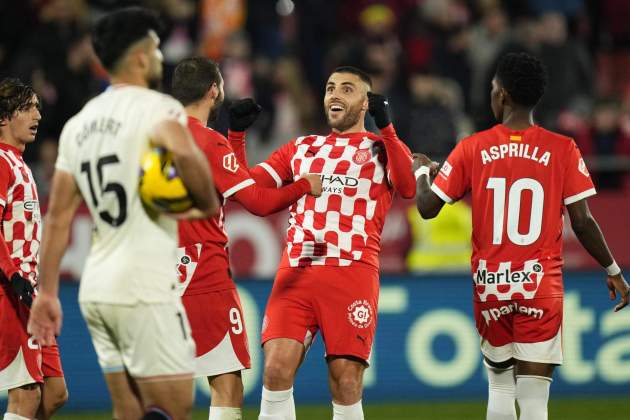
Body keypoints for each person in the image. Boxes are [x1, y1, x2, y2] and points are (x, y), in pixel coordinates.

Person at [414, 52, 630, 420]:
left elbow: (427, 207)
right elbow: (583, 221)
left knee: (499, 386)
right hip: (539, 285)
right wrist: (612, 270)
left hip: (490, 283)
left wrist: (421, 171)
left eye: (493, 89)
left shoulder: (472, 147)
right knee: (533, 400)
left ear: (502, 96)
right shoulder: (563, 148)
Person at [27, 8, 218, 420]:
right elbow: (188, 159)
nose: (161, 58)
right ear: (138, 58)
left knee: (129, 410)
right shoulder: (159, 109)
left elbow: (58, 217)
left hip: (98, 289)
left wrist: (47, 293)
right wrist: (201, 199)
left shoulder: (79, 124)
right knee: (175, 406)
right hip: (144, 283)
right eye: (155, 49)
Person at [228, 66, 416, 420]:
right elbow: (246, 190)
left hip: (352, 272)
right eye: (331, 88)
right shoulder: (301, 148)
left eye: (347, 89)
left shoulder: (381, 149)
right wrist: (236, 136)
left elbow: (407, 187)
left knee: (345, 381)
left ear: (365, 104)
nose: (335, 95)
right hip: (297, 272)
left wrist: (387, 127)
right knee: (275, 371)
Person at [170, 57, 322, 420]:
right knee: (226, 385)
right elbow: (255, 200)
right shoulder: (208, 143)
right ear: (214, 90)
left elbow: (233, 184)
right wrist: (304, 186)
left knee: (165, 386)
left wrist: (235, 136)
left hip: (159, 270)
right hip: (203, 274)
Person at [0, 78, 68, 420]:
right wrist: (14, 276)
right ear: (4, 118)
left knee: (54, 394)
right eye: (28, 108)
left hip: (29, 295)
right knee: (25, 396)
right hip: (10, 294)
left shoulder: (20, 164)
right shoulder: (0, 161)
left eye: (38, 107)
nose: (38, 114)